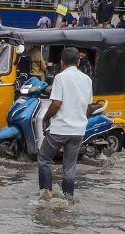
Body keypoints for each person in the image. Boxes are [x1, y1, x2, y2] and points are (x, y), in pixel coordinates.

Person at [38, 46, 91, 199]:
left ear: (62, 62)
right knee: (69, 168)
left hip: (60, 129)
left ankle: (46, 193)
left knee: (44, 158)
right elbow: (88, 108)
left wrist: (46, 118)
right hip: (78, 131)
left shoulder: (60, 77)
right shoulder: (87, 79)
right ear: (79, 62)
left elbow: (56, 104)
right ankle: (68, 198)